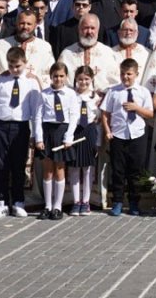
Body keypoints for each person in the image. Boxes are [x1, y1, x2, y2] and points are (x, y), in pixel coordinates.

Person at [0, 46, 41, 218]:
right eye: (11, 66)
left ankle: (18, 201)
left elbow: (36, 110)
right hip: (0, 125)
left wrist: (36, 134)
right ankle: (1, 202)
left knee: (18, 165)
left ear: (25, 63)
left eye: (18, 67)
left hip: (20, 127)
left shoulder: (31, 83)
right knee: (1, 165)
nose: (14, 70)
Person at [101, 58, 154, 216]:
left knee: (135, 171)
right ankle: (117, 201)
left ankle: (134, 203)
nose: (125, 77)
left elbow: (150, 114)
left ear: (136, 74)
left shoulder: (143, 92)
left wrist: (136, 108)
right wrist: (107, 131)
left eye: (129, 74)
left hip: (137, 134)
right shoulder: (114, 91)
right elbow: (105, 113)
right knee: (118, 170)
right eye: (123, 74)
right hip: (118, 134)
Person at [33, 62, 80, 220]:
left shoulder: (71, 94)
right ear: (50, 77)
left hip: (62, 131)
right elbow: (38, 116)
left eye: (61, 76)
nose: (58, 79)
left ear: (66, 77)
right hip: (47, 131)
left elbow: (74, 116)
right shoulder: (44, 94)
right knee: (48, 170)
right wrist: (39, 138)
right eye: (55, 76)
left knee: (59, 169)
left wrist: (69, 137)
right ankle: (47, 205)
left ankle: (57, 206)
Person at [66, 65, 100, 217]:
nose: (83, 82)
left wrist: (98, 142)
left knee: (87, 168)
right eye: (80, 79)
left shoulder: (96, 97)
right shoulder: (71, 95)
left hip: (90, 131)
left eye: (86, 79)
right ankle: (76, 201)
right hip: (75, 130)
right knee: (74, 167)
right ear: (75, 80)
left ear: (91, 79)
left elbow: (99, 119)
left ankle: (86, 201)